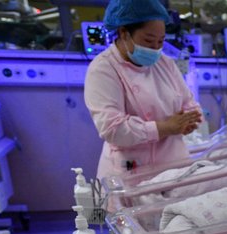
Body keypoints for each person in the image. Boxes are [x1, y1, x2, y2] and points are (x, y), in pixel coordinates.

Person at [84, 0, 202, 180]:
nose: (155, 48)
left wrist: (188, 121)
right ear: (124, 33)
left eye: (161, 41)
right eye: (148, 40)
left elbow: (190, 105)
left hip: (174, 168)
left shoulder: (165, 63)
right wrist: (166, 128)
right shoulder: (103, 69)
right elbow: (113, 129)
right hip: (131, 173)